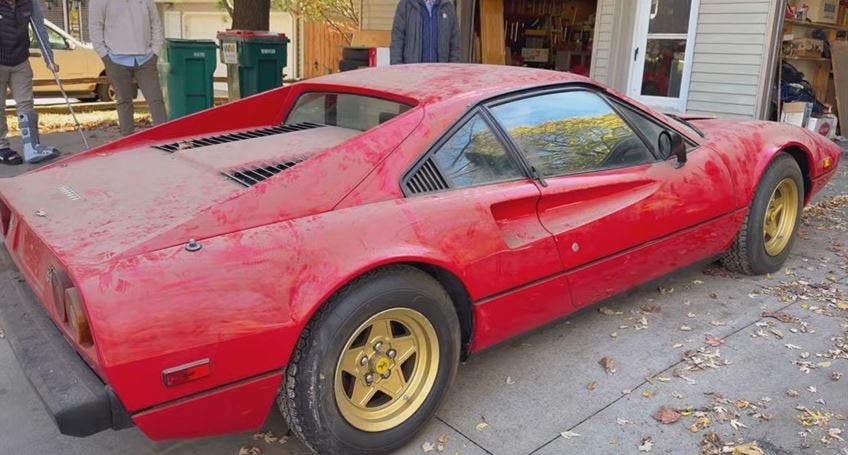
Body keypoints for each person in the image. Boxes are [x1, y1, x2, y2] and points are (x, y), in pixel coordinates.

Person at [89, 0, 167, 136]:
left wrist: (155, 52)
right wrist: (104, 55)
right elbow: (95, 26)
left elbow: (156, 23)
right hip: (116, 59)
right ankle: (128, 138)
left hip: (146, 58)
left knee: (156, 100)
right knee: (124, 101)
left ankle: (164, 137)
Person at [0, 0, 61, 164]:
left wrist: (49, 59)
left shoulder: (29, 3)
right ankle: (1, 147)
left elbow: (40, 30)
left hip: (20, 60)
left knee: (26, 102)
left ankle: (31, 147)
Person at [390, 0, 461, 65]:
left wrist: (452, 69)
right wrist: (397, 69)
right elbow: (397, 40)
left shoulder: (448, 7)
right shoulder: (405, 5)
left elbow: (454, 44)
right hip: (412, 73)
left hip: (440, 74)